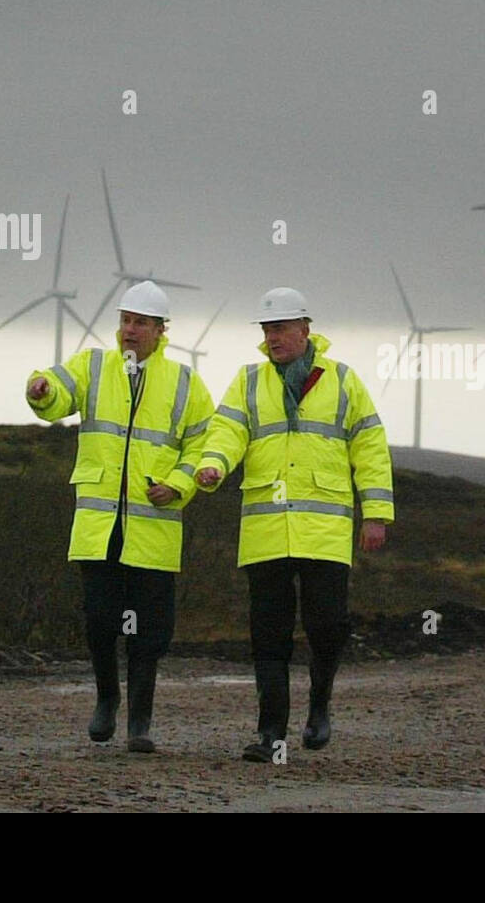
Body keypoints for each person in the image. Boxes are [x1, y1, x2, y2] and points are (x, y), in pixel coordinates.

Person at [196, 287, 393, 762]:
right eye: (266, 330)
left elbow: (369, 446)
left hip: (324, 532)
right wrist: (214, 464)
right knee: (268, 635)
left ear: (306, 329)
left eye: (280, 328)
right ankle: (271, 734)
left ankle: (319, 707)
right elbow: (227, 430)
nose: (272, 338)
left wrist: (377, 513)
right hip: (266, 531)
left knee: (327, 627)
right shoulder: (248, 382)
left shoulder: (344, 382)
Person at [25, 280, 215, 752]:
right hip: (100, 524)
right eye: (126, 321)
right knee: (100, 620)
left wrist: (181, 483)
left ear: (160, 330)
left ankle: (141, 723)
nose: (130, 330)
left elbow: (205, 442)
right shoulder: (93, 365)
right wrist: (40, 389)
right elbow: (57, 394)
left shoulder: (185, 382)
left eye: (140, 323)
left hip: (153, 525)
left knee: (151, 631)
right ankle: (107, 700)